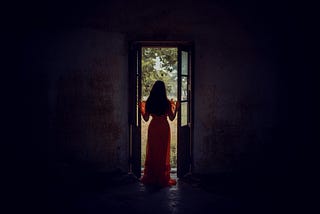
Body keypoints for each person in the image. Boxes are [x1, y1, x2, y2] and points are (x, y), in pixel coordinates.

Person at [139, 80, 179, 187]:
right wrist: (176, 109)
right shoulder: (166, 103)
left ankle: (152, 175)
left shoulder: (150, 102)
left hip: (153, 128)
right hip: (164, 129)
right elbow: (171, 118)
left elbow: (146, 118)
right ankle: (162, 176)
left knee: (153, 152)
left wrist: (141, 109)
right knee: (162, 152)